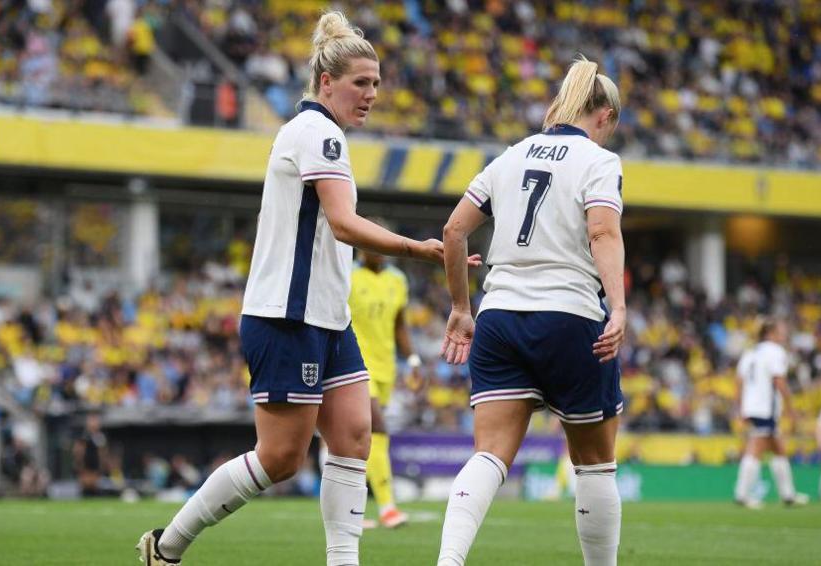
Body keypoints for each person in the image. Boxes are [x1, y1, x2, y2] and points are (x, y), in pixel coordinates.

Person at [136, 11, 478, 566]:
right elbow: (344, 223)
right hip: (286, 317)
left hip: (326, 317)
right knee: (280, 458)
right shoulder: (318, 134)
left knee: (354, 437)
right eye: (360, 83)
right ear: (326, 83)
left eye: (376, 85)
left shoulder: (322, 135)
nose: (371, 95)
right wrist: (418, 249)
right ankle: (166, 546)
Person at [437, 55, 628, 566]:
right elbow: (603, 231)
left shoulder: (511, 155)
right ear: (605, 116)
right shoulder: (599, 161)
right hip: (570, 315)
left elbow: (454, 231)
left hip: (500, 316)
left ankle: (448, 561)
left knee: (489, 454)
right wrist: (620, 307)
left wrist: (461, 306)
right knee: (594, 465)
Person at [348, 243, 420, 528]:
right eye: (371, 244)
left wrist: (412, 360)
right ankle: (388, 506)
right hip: (354, 363)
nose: (377, 250)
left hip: (385, 368)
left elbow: (399, 324)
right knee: (376, 427)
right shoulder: (348, 275)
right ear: (360, 248)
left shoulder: (397, 280)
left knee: (363, 440)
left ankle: (350, 508)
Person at [732, 319, 809, 509]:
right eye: (781, 331)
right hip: (765, 408)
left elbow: (739, 381)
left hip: (752, 407)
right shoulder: (775, 352)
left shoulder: (750, 352)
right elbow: (779, 381)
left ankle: (788, 495)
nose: (784, 336)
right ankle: (742, 495)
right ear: (771, 333)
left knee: (778, 448)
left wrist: (741, 407)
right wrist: (791, 408)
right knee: (756, 448)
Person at [73, 413, 107, 497]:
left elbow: (102, 451)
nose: (94, 424)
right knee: (85, 484)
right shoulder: (84, 435)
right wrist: (79, 462)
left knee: (94, 484)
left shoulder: (100, 436)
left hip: (95, 464)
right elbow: (78, 449)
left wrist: (102, 463)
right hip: (85, 464)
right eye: (92, 421)